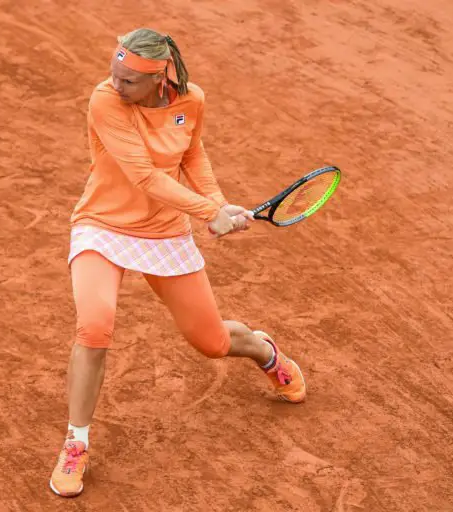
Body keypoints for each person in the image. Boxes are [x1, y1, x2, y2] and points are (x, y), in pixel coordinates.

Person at [49, 28, 306, 498]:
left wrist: (217, 202)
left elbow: (192, 153)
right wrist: (209, 212)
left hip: (164, 232)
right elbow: (144, 176)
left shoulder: (191, 100)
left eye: (128, 80)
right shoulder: (105, 101)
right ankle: (76, 442)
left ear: (159, 77)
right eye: (114, 73)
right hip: (102, 225)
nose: (116, 84)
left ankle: (264, 350)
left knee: (212, 343)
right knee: (94, 326)